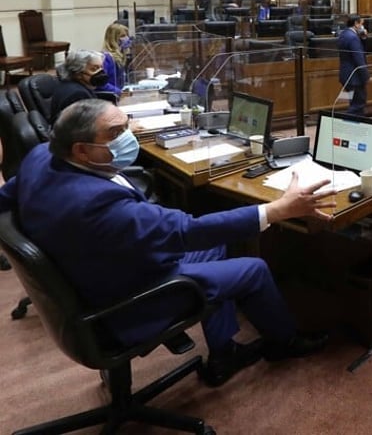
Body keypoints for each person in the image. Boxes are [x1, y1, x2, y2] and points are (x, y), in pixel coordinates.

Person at [0, 99, 334, 388]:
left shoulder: (40, 157)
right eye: (115, 134)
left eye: (126, 127)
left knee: (216, 249)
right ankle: (284, 342)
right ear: (81, 149)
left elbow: (5, 199)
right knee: (255, 269)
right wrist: (275, 210)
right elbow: (187, 231)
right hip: (127, 295)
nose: (128, 138)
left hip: (95, 267)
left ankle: (223, 353)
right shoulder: (95, 204)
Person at [50, 50, 107, 125]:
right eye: (94, 69)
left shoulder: (70, 85)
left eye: (101, 67)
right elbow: (85, 127)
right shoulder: (78, 95)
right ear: (78, 73)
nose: (101, 72)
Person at [337, 15, 369, 116]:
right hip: (354, 77)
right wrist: (366, 76)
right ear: (356, 23)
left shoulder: (343, 34)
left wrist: (363, 38)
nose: (362, 27)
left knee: (354, 103)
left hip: (345, 75)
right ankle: (346, 127)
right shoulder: (353, 38)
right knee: (358, 105)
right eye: (361, 24)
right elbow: (359, 59)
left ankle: (356, 126)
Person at [99, 22, 131, 98]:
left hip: (118, 95)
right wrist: (118, 92)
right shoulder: (106, 58)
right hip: (110, 97)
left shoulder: (121, 56)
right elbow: (101, 83)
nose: (127, 38)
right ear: (113, 39)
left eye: (127, 35)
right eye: (123, 36)